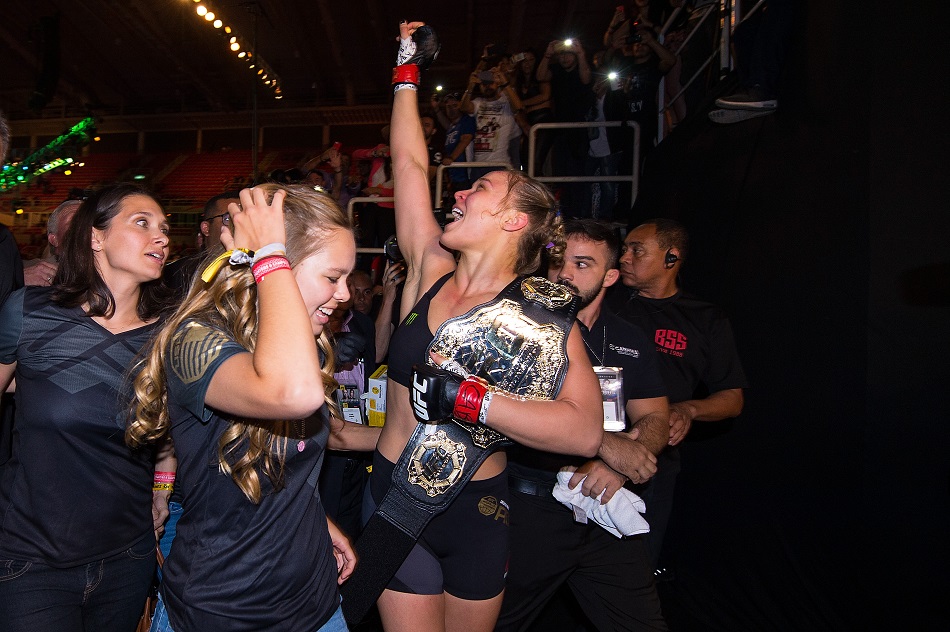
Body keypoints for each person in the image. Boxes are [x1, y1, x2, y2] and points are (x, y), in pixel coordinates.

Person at [346, 21, 604, 632]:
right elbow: (409, 162)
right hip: (395, 493)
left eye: (480, 187)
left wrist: (469, 400)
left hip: (481, 510)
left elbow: (583, 432)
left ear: (515, 221)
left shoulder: (544, 318)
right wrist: (407, 69)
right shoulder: (428, 267)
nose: (459, 192)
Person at [128, 184, 373, 631]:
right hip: (220, 611)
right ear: (277, 264)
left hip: (316, 608)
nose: (344, 294)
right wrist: (270, 255)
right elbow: (293, 395)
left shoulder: (308, 347)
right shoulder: (195, 341)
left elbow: (282, 460)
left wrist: (314, 520)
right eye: (331, 277)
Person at [0, 183, 174, 631]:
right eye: (142, 223)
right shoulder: (29, 313)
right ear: (96, 237)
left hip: (127, 559)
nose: (162, 236)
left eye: (164, 228)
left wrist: (162, 486)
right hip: (31, 560)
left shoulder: (170, 338)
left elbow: (171, 430)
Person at [498, 219, 670, 631]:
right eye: (559, 261)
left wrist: (616, 465)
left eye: (583, 264)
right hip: (531, 508)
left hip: (604, 509)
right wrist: (607, 447)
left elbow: (656, 417)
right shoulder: (518, 329)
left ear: (611, 275)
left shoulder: (628, 337)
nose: (565, 274)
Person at [607, 218, 748, 570]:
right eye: (624, 249)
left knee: (634, 572)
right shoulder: (607, 302)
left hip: (652, 465)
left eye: (636, 250)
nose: (624, 257)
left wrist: (688, 410)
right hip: (588, 446)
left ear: (671, 257)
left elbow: (732, 397)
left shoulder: (705, 319)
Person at [22, 198, 80, 287]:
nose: (86, 229)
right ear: (54, 239)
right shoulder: (29, 271)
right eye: (74, 223)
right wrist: (17, 279)